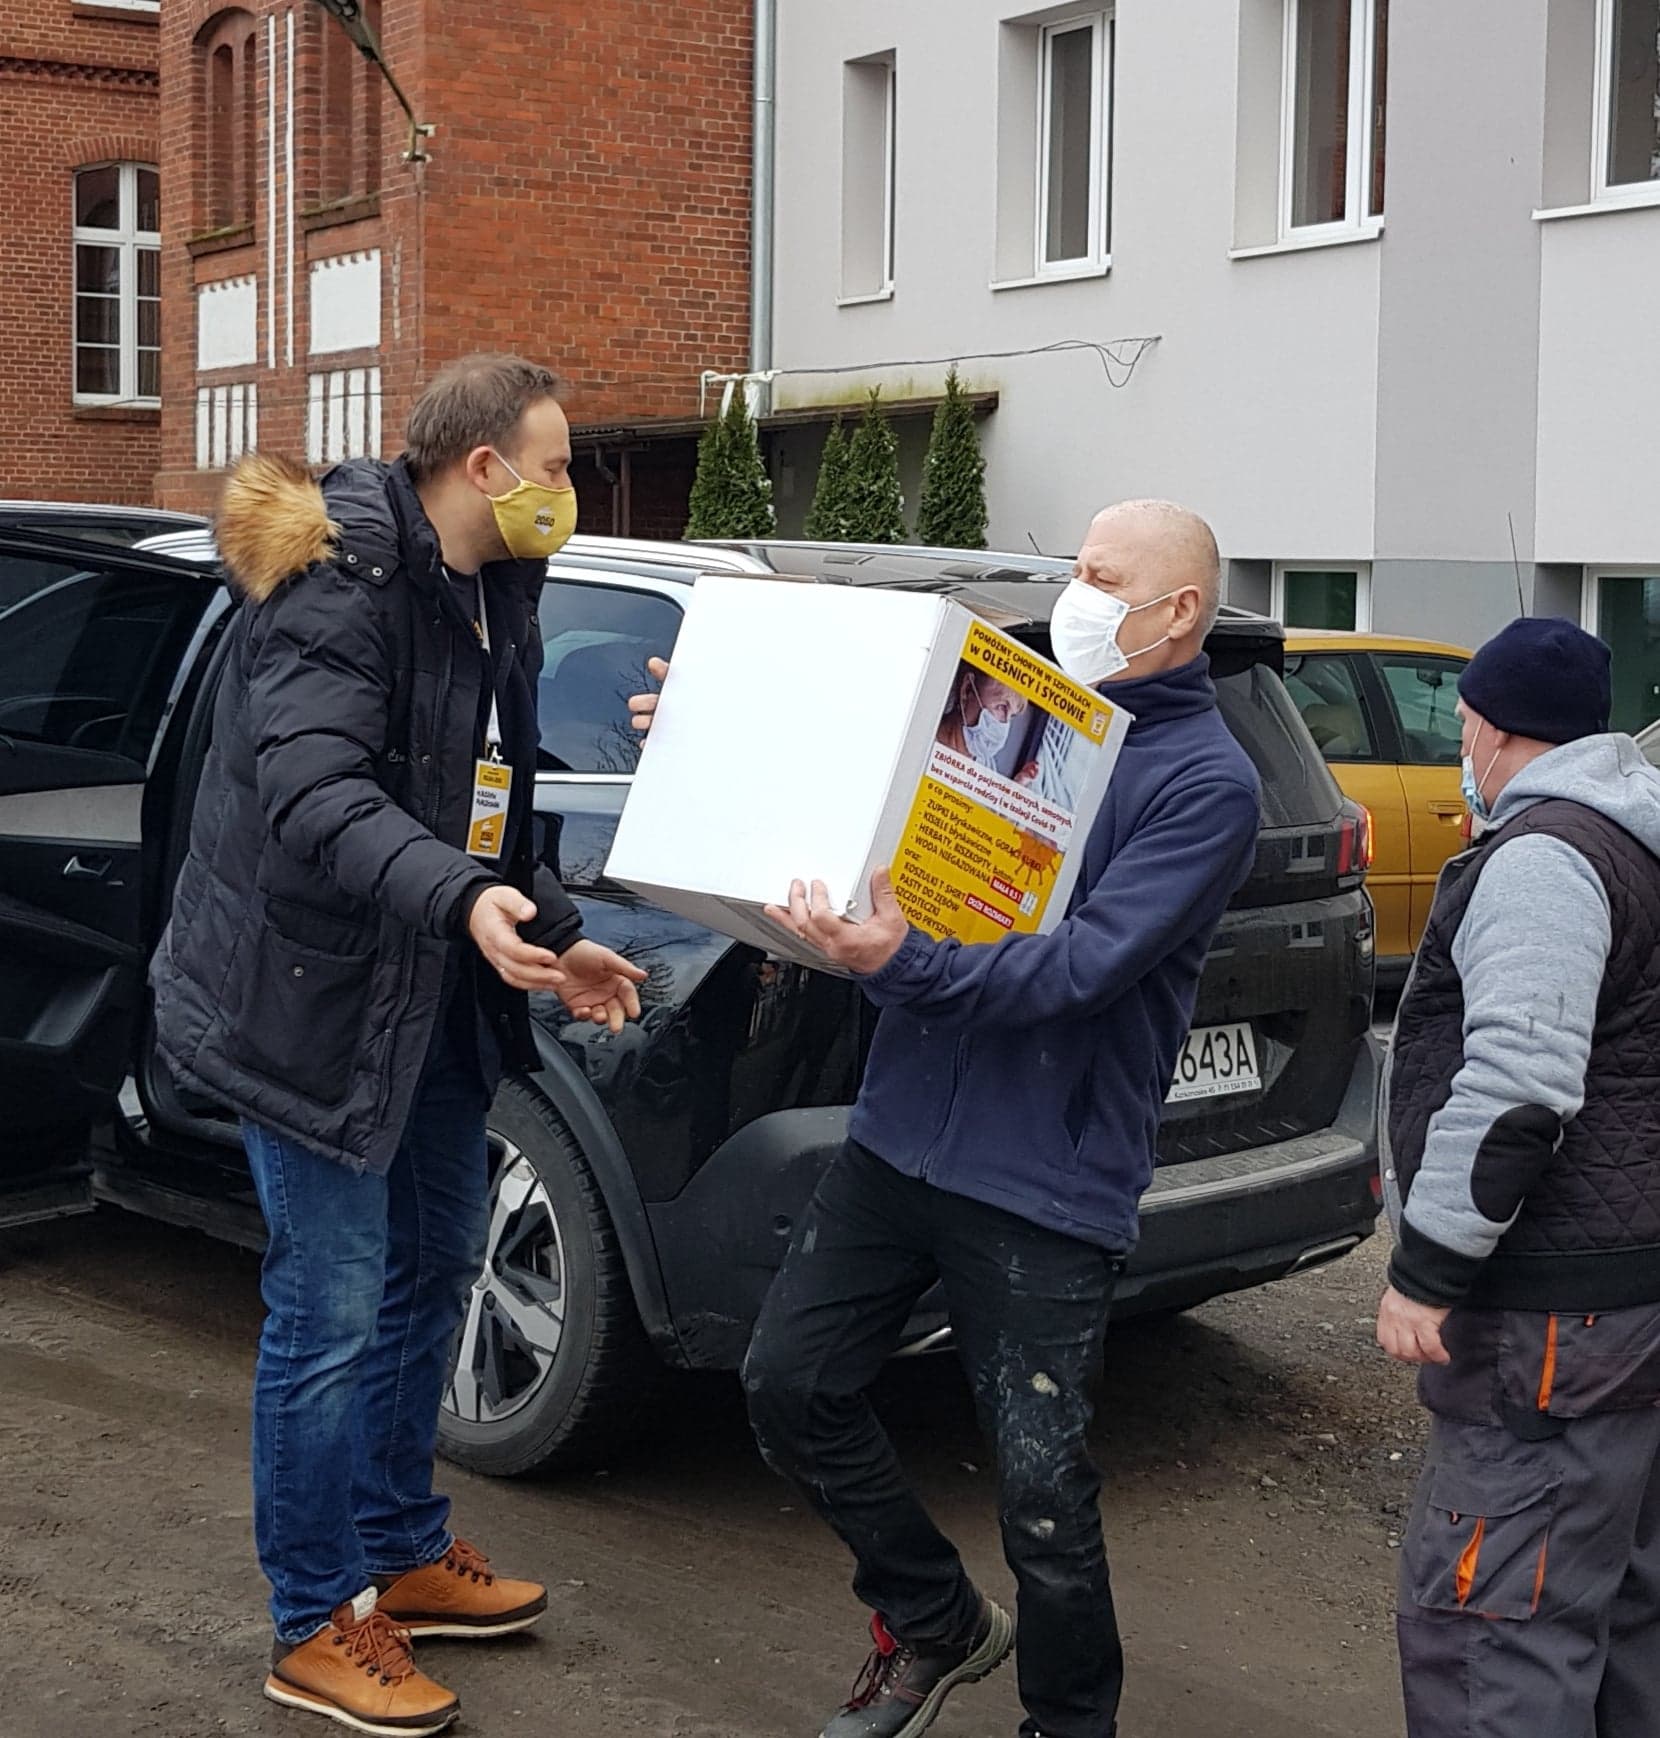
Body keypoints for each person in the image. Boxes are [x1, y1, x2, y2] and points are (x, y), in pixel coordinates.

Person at [637, 500, 1261, 1738]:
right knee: (787, 1386)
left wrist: (904, 961)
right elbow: (859, 804)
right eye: (1077, 569)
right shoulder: (1009, 712)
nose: (1076, 595)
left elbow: (1082, 967)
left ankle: (1066, 1723)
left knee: (1042, 1494)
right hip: (902, 1134)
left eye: (1101, 576)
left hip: (1044, 1177)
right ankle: (933, 1617)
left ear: (1179, 608)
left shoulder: (1206, 783)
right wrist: (717, 730)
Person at [151, 354, 646, 1736]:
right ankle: (315, 1616)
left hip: (427, 997)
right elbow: (317, 796)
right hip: (307, 1003)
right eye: (555, 465)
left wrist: (549, 923)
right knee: (329, 1307)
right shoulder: (338, 586)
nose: (568, 490)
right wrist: (462, 897)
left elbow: (488, 803)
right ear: (481, 466)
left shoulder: (499, 592)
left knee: (436, 1264)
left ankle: (398, 1545)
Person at [1376, 616, 1660, 1738]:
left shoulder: (1546, 859)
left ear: (1491, 730)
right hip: (1626, 1300)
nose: (1463, 746)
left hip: (1552, 1318)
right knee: (1621, 1606)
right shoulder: (1637, 840)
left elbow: (1519, 1084)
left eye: (1463, 726)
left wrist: (1429, 1268)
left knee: (1494, 1629)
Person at [937, 667, 1038, 785]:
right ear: (967, 690)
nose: (1004, 725)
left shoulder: (986, 765)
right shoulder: (924, 739)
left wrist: (1016, 785)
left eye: (1012, 716)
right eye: (1001, 707)